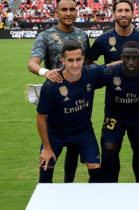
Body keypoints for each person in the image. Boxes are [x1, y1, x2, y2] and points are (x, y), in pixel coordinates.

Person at [84, 0, 139, 182]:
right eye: (120, 11)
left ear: (133, 13)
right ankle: (112, 195)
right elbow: (87, 64)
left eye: (127, 10)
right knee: (110, 154)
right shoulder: (103, 40)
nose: (124, 14)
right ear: (114, 14)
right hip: (114, 110)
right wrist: (109, 70)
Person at [28, 0, 90, 183]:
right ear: (57, 12)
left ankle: (68, 188)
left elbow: (86, 64)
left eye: (72, 9)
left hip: (78, 102)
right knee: (48, 155)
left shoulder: (82, 35)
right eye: (64, 9)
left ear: (77, 11)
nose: (69, 13)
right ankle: (44, 192)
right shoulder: (45, 36)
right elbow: (32, 63)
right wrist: (46, 72)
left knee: (73, 152)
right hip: (55, 103)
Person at [37, 40, 103, 183]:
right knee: (45, 168)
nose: (75, 64)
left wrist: (138, 61)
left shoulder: (91, 73)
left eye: (78, 59)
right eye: (70, 60)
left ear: (83, 59)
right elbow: (41, 118)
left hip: (83, 131)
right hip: (55, 133)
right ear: (63, 61)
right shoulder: (51, 85)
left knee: (96, 170)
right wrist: (47, 148)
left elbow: (111, 68)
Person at [97, 41, 139, 182]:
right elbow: (84, 77)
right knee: (108, 152)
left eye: (135, 58)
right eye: (127, 58)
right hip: (115, 116)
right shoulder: (109, 72)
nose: (131, 62)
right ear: (121, 57)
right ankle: (109, 190)